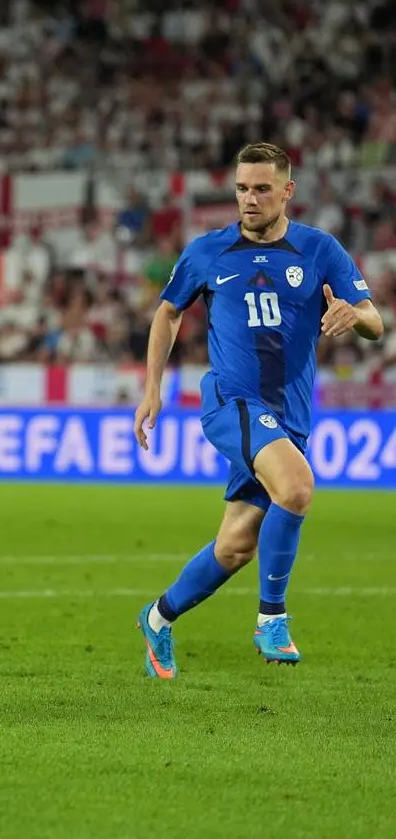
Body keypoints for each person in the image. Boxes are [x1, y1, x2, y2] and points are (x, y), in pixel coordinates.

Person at [133, 143, 383, 678]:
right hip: (230, 401)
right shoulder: (207, 251)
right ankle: (272, 617)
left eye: (262, 189)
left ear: (287, 191)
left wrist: (351, 313)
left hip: (289, 416)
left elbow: (375, 321)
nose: (249, 199)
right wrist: (152, 387)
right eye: (243, 188)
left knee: (236, 546)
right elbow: (168, 312)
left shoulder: (319, 250)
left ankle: (157, 618)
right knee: (296, 486)